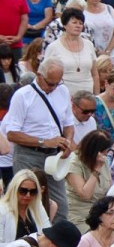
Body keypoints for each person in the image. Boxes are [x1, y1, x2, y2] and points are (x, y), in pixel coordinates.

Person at [4, 58, 74, 221]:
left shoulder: (62, 91)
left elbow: (68, 124)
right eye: (50, 83)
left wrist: (68, 142)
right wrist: (44, 141)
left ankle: (55, 243)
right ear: (39, 75)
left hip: (54, 156)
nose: (54, 87)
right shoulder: (22, 96)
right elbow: (11, 134)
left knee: (60, 206)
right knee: (27, 202)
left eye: (58, 83)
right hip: (28, 155)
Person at [0, 169, 51, 242]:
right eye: (23, 191)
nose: (28, 195)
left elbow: (47, 233)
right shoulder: (2, 209)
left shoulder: (37, 205)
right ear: (14, 189)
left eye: (33, 192)